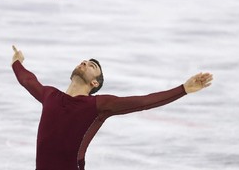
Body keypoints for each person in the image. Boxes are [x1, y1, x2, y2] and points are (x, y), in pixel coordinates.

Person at [11, 45, 213, 170]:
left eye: (92, 66)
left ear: (94, 84)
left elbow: (143, 101)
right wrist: (17, 62)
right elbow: (28, 80)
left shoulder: (98, 105)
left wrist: (183, 89)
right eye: (85, 62)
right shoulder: (50, 96)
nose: (85, 63)